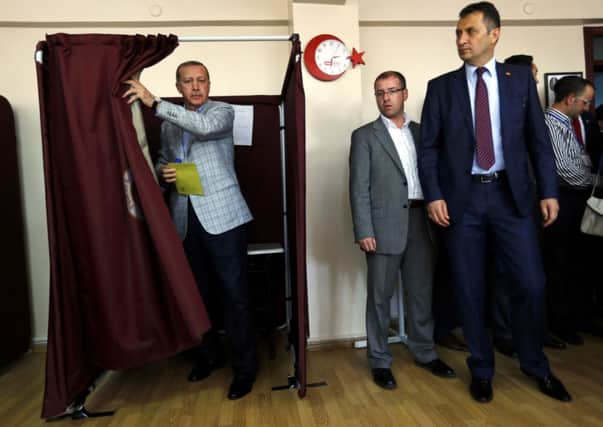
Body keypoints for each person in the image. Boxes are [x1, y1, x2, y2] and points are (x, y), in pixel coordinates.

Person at [419, 2, 571, 403]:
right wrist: (434, 193)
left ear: (494, 34)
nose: (461, 39)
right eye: (457, 33)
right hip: (462, 201)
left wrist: (549, 190)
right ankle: (482, 369)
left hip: (511, 197)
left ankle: (534, 363)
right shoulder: (441, 87)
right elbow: (429, 149)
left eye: (469, 31)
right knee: (469, 289)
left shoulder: (519, 80)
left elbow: (539, 143)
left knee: (532, 284)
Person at [123, 61, 256, 400]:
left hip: (224, 218)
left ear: (209, 83)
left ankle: (245, 370)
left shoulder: (222, 112)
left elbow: (204, 127)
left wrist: (153, 102)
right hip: (185, 219)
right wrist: (163, 169)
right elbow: (166, 158)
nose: (196, 87)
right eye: (188, 82)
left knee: (235, 297)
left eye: (201, 80)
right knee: (197, 296)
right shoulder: (169, 124)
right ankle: (208, 356)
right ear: (179, 86)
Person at [349, 70, 455, 390]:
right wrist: (363, 228)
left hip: (423, 220)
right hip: (381, 226)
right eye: (380, 92)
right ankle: (380, 360)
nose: (386, 98)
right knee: (380, 298)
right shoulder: (364, 135)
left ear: (405, 94)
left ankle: (425, 352)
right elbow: (358, 187)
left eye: (392, 91)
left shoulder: (424, 133)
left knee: (420, 293)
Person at [488, 54, 566, 358]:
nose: (536, 80)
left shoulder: (529, 109)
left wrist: (547, 194)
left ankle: (534, 331)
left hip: (534, 200)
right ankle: (505, 333)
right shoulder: (502, 110)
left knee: (534, 271)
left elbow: (541, 151)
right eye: (532, 74)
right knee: (504, 271)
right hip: (505, 201)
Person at [542, 76, 601, 344]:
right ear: (569, 99)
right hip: (562, 202)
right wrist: (595, 181)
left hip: (575, 201)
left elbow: (580, 161)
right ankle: (559, 324)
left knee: (575, 263)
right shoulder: (551, 124)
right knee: (559, 264)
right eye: (585, 102)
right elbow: (566, 171)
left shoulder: (568, 123)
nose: (587, 107)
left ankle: (574, 319)